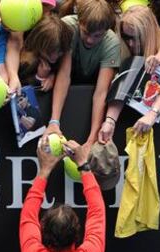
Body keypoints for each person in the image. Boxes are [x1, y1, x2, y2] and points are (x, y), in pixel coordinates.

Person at [20, 138, 105, 252]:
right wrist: (83, 163)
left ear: (43, 230)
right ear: (76, 233)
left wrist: (44, 170)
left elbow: (28, 216)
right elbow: (97, 213)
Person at [45, 0, 121, 157]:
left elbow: (101, 93)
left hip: (92, 82)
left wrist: (92, 138)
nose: (90, 40)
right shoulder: (67, 26)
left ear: (106, 31)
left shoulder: (112, 42)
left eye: (97, 36)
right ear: (79, 21)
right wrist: (54, 122)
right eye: (86, 32)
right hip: (68, 78)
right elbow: (64, 75)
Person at [98, 5, 160, 141]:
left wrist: (152, 114)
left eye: (135, 37)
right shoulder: (124, 50)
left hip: (157, 125)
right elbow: (122, 83)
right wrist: (110, 121)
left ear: (147, 33)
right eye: (125, 36)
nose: (130, 43)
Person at [18, 15, 73, 91]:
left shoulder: (62, 54)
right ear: (39, 43)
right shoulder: (26, 60)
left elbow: (65, 73)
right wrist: (39, 77)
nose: (55, 56)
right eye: (50, 51)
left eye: (60, 51)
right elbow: (18, 85)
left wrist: (52, 76)